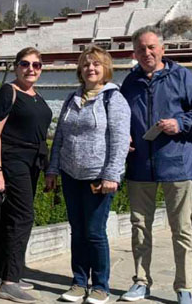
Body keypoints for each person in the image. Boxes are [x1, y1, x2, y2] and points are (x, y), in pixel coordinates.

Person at [118, 27, 192, 304]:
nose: (146, 53)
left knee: (182, 229)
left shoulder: (181, 76)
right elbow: (121, 116)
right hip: (140, 166)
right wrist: (124, 136)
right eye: (140, 49)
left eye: (151, 47)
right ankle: (141, 281)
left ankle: (184, 287)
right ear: (134, 53)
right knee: (139, 227)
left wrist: (180, 123)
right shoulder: (130, 82)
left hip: (176, 164)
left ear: (162, 49)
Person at [45, 46, 131, 304]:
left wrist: (112, 174)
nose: (90, 69)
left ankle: (101, 286)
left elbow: (118, 141)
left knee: (94, 232)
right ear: (80, 70)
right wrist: (53, 168)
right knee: (78, 231)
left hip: (98, 176)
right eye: (85, 65)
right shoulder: (72, 98)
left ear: (106, 69)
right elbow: (60, 135)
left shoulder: (114, 99)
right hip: (72, 175)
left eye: (96, 64)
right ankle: (78, 282)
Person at [0, 47, 53, 303]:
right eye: (25, 64)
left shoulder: (36, 96)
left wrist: (48, 169)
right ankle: (9, 282)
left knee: (13, 219)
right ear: (16, 66)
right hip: (13, 160)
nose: (31, 69)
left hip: (32, 163)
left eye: (36, 65)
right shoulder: (9, 92)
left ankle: (7, 274)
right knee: (23, 217)